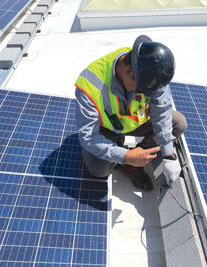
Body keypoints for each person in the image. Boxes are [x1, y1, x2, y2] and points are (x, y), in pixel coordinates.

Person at [75, 35, 187, 191]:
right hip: (106, 129)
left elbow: (162, 111)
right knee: (98, 170)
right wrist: (125, 156)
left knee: (178, 123)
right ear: (129, 71)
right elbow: (88, 136)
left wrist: (168, 154)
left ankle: (138, 159)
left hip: (137, 122)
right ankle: (128, 159)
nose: (145, 93)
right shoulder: (90, 84)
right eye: (141, 89)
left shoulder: (151, 70)